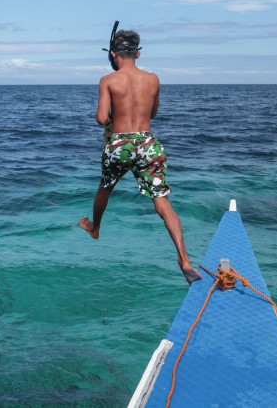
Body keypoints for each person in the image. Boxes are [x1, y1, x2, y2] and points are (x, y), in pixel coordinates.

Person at [78, 29, 202, 284]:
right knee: (162, 201)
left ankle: (95, 227)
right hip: (147, 143)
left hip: (120, 143)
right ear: (138, 53)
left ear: (113, 54)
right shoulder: (153, 79)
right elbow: (152, 113)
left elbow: (102, 118)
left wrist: (111, 114)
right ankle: (184, 259)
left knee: (105, 187)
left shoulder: (108, 80)